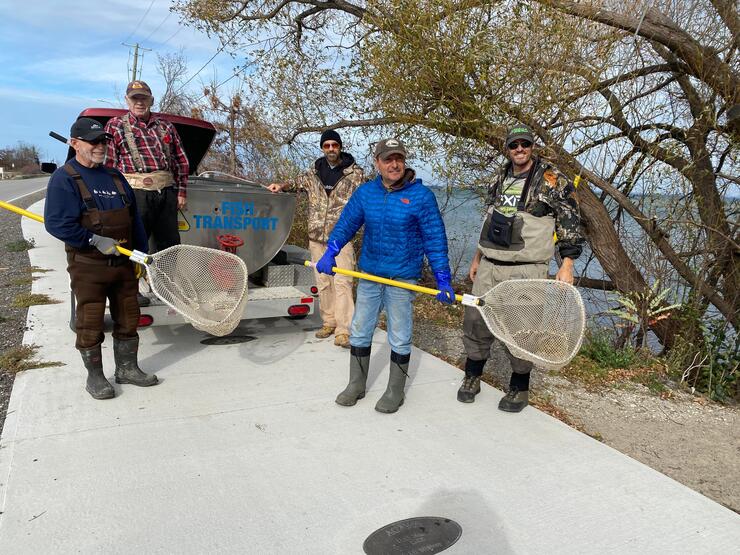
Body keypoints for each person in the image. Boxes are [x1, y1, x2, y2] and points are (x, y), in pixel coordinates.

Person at [316, 138, 455, 413]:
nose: (394, 164)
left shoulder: (421, 196)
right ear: (377, 163)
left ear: (404, 161)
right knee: (359, 330)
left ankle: (395, 390)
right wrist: (330, 251)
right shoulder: (366, 193)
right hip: (370, 274)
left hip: (402, 277)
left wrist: (443, 278)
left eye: (399, 159)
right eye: (388, 159)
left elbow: (435, 239)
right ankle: (356, 384)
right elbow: (346, 224)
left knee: (400, 335)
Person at [458, 124, 583, 412]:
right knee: (475, 322)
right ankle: (472, 376)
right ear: (507, 148)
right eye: (514, 145)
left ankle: (519, 387)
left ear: (532, 147)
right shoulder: (499, 178)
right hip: (490, 266)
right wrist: (477, 258)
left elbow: (570, 223)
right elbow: (489, 222)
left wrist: (567, 264)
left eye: (524, 144)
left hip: (526, 269)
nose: (519, 150)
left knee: (523, 329)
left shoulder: (552, 180)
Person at [44, 117, 158, 400]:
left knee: (129, 317)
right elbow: (56, 223)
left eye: (103, 141)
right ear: (74, 143)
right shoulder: (64, 178)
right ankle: (95, 377)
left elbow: (135, 221)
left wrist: (140, 255)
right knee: (91, 320)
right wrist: (92, 239)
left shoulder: (116, 177)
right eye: (93, 141)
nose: (100, 146)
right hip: (89, 267)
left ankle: (127, 369)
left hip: (123, 265)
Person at [267, 130, 364, 348]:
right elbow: (294, 183)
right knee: (323, 283)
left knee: (343, 283)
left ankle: (344, 330)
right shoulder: (313, 172)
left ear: (340, 146)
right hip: (317, 238)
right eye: (327, 145)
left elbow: (368, 198)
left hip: (342, 239)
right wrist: (280, 186)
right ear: (322, 148)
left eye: (334, 145)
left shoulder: (355, 174)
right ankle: (328, 322)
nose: (331, 149)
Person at [104, 80, 189, 255]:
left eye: (144, 98)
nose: (139, 103)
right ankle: (133, 280)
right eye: (135, 99)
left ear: (151, 100)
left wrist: (181, 192)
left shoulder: (166, 126)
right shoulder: (115, 125)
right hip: (135, 194)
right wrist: (112, 198)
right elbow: (109, 165)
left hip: (166, 193)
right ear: (127, 100)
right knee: (134, 244)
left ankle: (163, 281)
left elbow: (181, 161)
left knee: (170, 246)